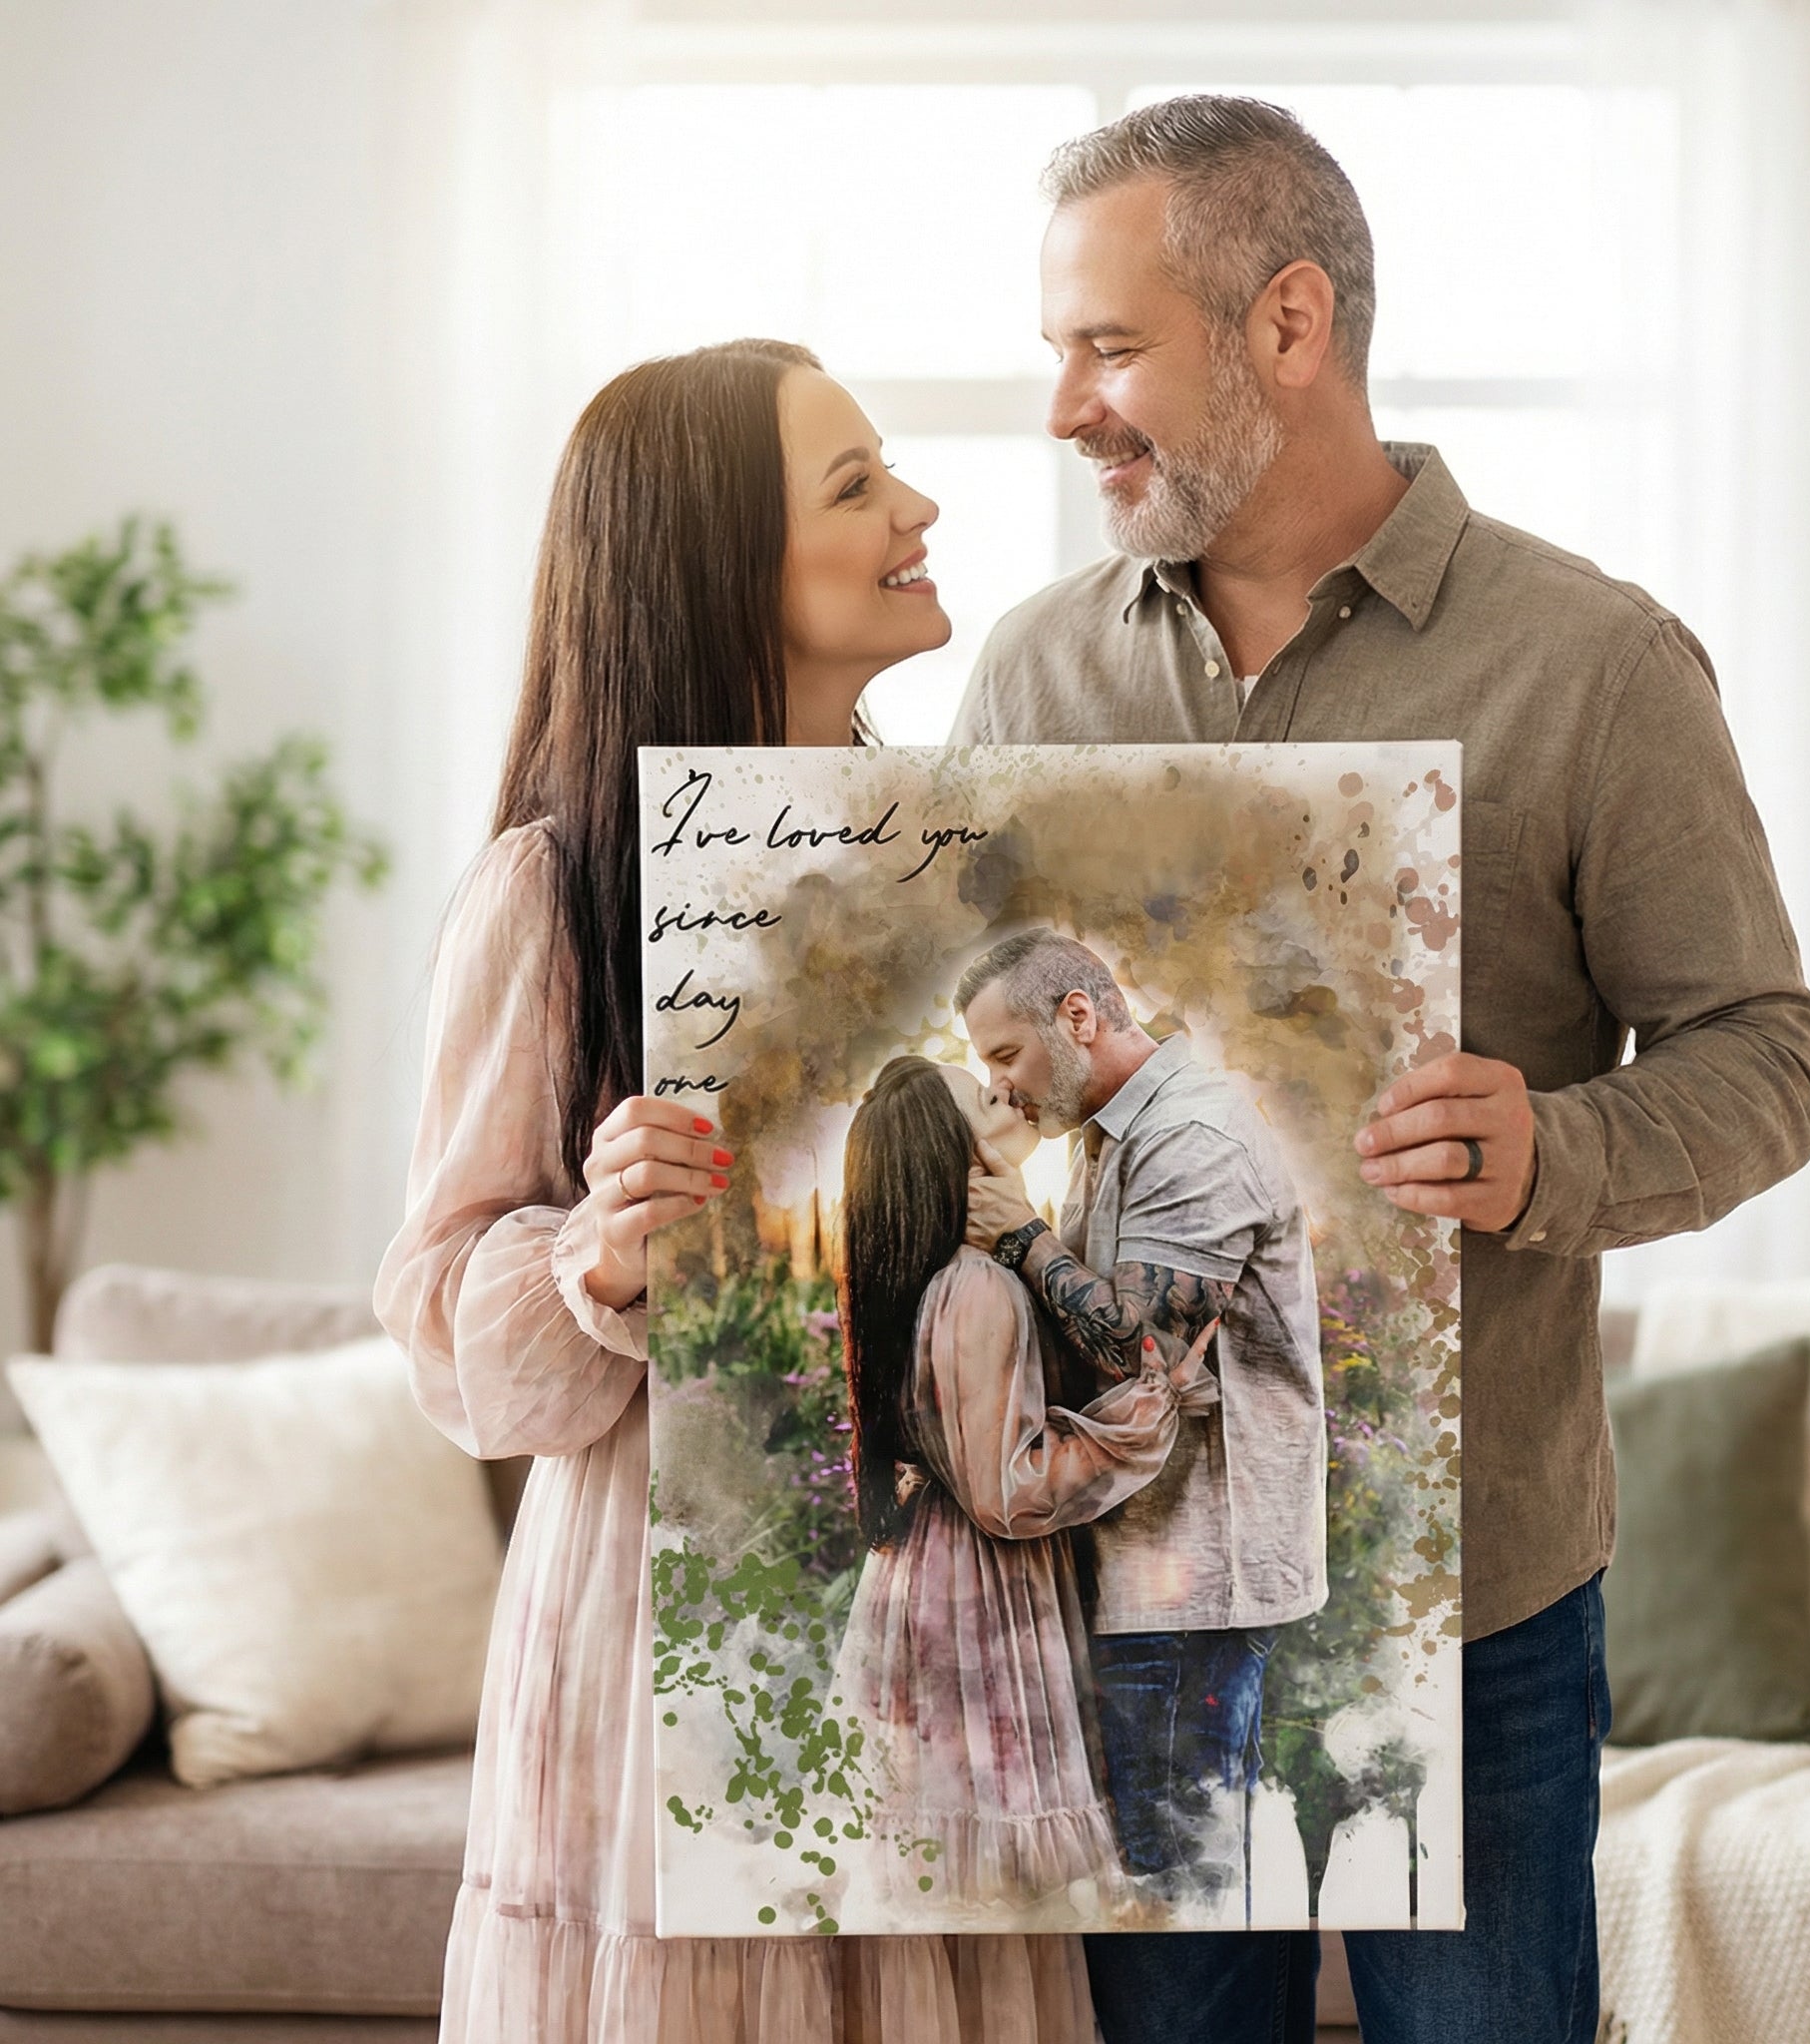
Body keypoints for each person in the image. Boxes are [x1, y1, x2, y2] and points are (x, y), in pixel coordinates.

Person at [951, 96, 1810, 2044]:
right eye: (1055, 354)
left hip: (1480, 1600)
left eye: (1109, 348)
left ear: (1285, 324)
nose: (1064, 411)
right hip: (1144, 1600)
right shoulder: (1028, 684)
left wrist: (1554, 1148)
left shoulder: (1593, 666)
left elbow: (1766, 1057)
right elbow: (978, 1075)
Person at [376, 341, 1099, 2042]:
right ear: (718, 565)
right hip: (671, 1623)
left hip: (942, 1604)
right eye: (854, 488)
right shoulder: (550, 889)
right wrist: (597, 1263)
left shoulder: (965, 854)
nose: (918, 508)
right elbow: (433, 1324)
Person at [954, 927, 1325, 1932]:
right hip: (1152, 1576)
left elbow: (1139, 1350)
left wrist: (1017, 1232)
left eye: (1003, 1054)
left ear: (1077, 1015)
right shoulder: (1107, 1133)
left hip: (1188, 1587)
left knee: (1176, 1943)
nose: (997, 1082)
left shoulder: (1189, 1137)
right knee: (1192, 1924)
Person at [830, 1054, 1217, 1923]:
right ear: (955, 1157)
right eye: (984, 1095)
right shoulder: (976, 1289)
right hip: (975, 1592)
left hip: (943, 1575)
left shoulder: (958, 1280)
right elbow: (1007, 1493)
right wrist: (1144, 1415)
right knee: (992, 1879)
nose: (1005, 1091)